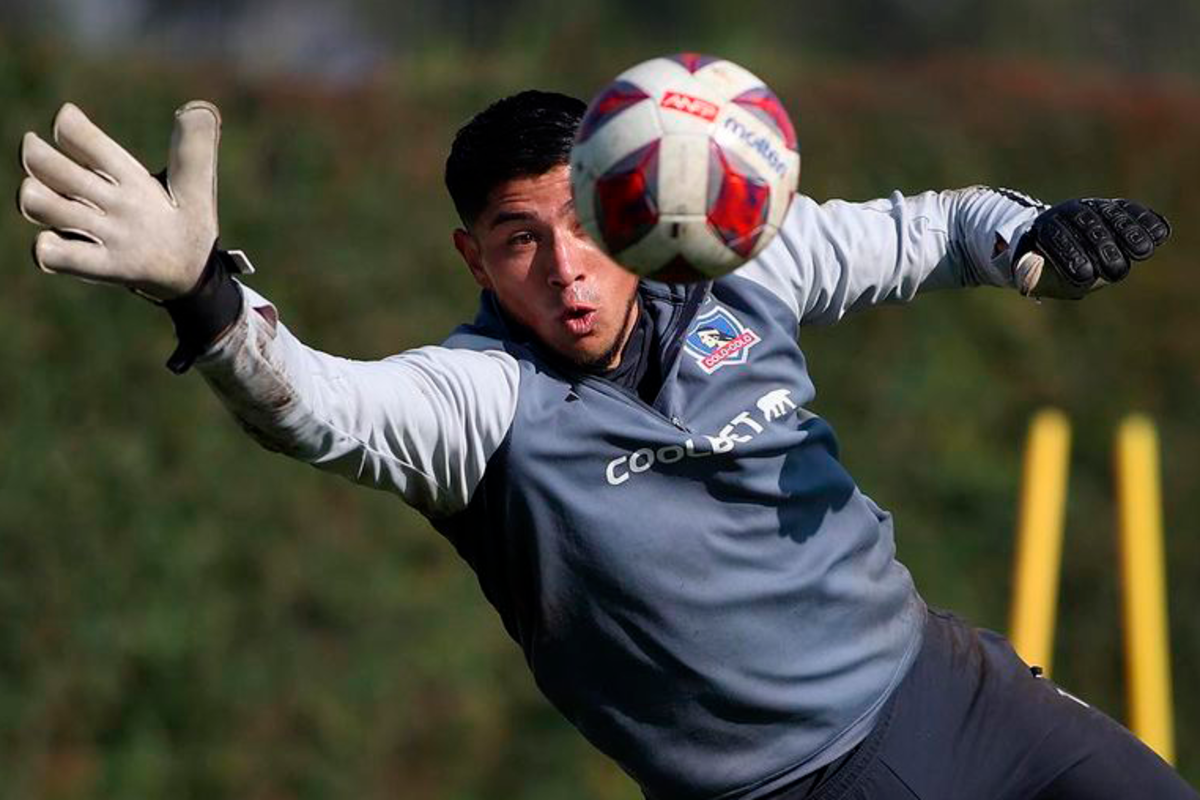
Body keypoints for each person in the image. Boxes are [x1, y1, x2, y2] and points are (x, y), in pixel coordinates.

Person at [16, 84, 1192, 800]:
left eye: (582, 223)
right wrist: (202, 298)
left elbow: (931, 228)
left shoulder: (739, 265)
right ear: (474, 259)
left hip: (964, 695)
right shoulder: (478, 401)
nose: (566, 271)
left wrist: (1036, 227)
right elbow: (315, 406)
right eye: (520, 241)